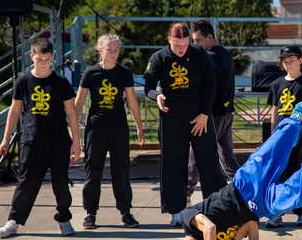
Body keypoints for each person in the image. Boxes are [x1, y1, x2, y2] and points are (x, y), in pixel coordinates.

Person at [159, 102, 302, 240]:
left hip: (245, 185)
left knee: (274, 150)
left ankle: (294, 121)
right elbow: (251, 226)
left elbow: (210, 227)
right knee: (299, 197)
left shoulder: (187, 218)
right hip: (260, 207)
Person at [0, 38, 81, 238]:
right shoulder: (23, 81)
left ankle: (64, 219)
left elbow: (71, 113)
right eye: (39, 59)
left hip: (58, 140)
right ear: (32, 57)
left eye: (47, 59)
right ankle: (14, 220)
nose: (43, 63)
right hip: (32, 141)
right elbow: (14, 112)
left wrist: (76, 141)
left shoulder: (61, 82)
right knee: (26, 181)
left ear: (52, 58)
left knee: (61, 181)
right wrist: (6, 138)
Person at [143, 23, 227, 226]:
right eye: (177, 44)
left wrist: (205, 114)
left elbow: (211, 84)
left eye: (185, 44)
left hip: (200, 118)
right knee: (174, 164)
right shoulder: (159, 58)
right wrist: (157, 95)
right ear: (168, 40)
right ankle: (176, 212)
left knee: (208, 162)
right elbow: (148, 86)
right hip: (172, 119)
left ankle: (214, 209)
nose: (181, 49)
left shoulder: (198, 53)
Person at [75, 34, 145, 229]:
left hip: (119, 127)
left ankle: (125, 212)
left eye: (116, 49)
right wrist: (73, 132)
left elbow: (132, 102)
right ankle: (90, 213)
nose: (114, 53)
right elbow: (78, 103)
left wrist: (139, 127)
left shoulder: (124, 73)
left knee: (121, 170)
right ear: (100, 50)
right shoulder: (90, 73)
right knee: (93, 170)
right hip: (96, 128)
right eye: (109, 49)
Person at [265, 45, 302, 228]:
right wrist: (273, 138)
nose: (288, 64)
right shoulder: (277, 84)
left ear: (301, 61)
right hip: (282, 140)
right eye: (285, 61)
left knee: (301, 175)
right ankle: (277, 214)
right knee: (280, 175)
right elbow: (274, 113)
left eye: (292, 60)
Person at [186, 19, 240, 204]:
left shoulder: (210, 57)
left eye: (198, 40)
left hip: (213, 115)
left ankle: (185, 195)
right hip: (226, 113)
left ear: (210, 37)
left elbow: (205, 87)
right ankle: (245, 189)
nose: (195, 44)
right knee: (227, 157)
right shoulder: (225, 54)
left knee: (195, 155)